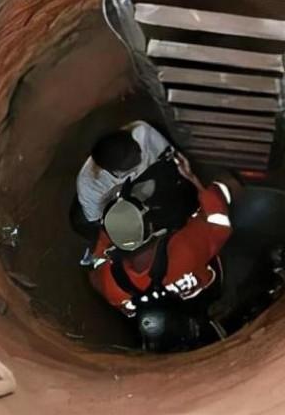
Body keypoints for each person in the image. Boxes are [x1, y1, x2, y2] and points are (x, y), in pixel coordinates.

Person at [88, 177, 235, 322]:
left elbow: (95, 276)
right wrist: (197, 181)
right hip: (206, 291)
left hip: (166, 316)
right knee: (230, 184)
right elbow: (220, 225)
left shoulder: (111, 284)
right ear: (150, 226)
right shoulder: (185, 247)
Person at [73, 121, 199, 240]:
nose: (139, 150)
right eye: (132, 154)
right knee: (83, 224)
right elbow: (98, 219)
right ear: (116, 169)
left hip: (150, 176)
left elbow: (174, 162)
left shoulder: (144, 134)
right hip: (118, 201)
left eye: (134, 145)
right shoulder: (91, 186)